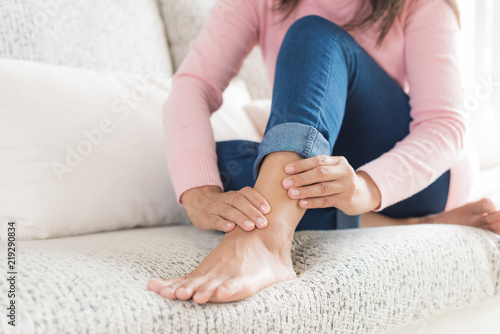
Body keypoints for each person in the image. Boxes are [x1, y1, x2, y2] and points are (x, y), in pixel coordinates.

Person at [147, 0, 500, 304]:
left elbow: (443, 126)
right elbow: (194, 84)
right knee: (220, 171)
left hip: (422, 175)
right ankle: (406, 225)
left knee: (312, 34)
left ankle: (267, 242)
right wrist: (200, 196)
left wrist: (366, 188)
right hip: (320, 164)